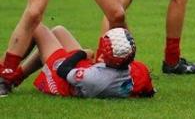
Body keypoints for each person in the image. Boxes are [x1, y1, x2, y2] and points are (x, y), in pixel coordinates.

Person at [13, 23, 154, 98]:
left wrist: (82, 53)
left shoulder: (95, 79)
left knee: (37, 28)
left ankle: (8, 76)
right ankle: (17, 76)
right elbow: (149, 91)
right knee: (58, 31)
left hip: (64, 80)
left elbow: (63, 70)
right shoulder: (138, 70)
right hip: (92, 71)